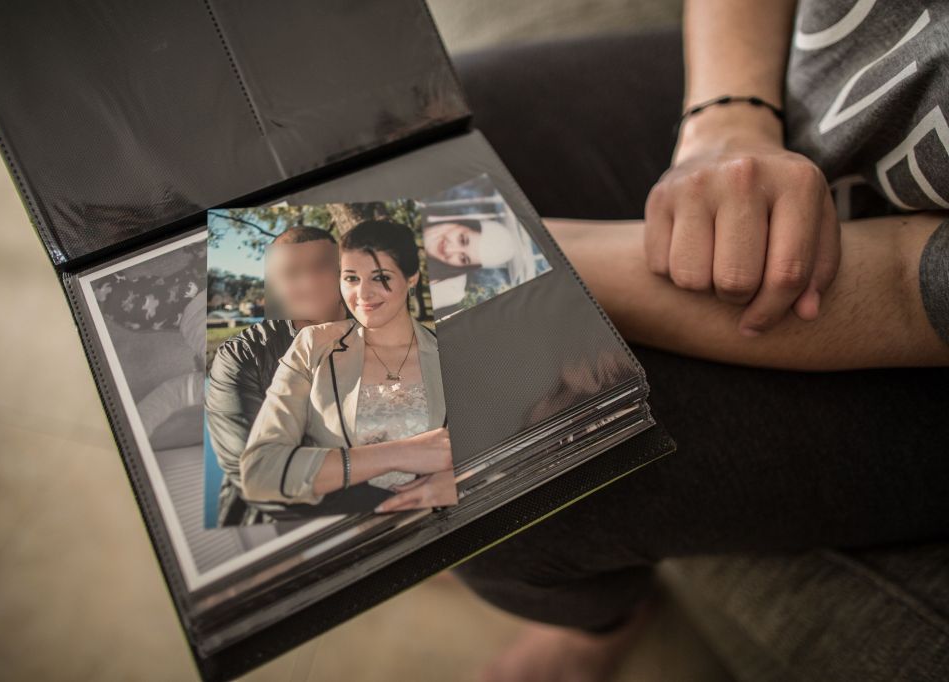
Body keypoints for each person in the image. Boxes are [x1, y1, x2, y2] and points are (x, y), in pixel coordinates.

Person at [447, 1, 949, 680]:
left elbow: (905, 293)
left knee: (487, 473)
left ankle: (601, 621)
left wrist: (525, 257)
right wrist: (728, 117)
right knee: (439, 135)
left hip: (914, 345)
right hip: (799, 90)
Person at [240, 219, 459, 515]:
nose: (363, 294)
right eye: (352, 278)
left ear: (411, 278)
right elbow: (260, 471)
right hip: (355, 535)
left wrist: (460, 480)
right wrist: (398, 454)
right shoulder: (313, 346)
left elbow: (506, 436)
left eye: (380, 277)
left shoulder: (451, 348)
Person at [205, 225, 348, 526]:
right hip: (270, 525)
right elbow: (253, 472)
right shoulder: (241, 356)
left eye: (321, 267)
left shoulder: (385, 333)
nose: (309, 281)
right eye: (292, 272)